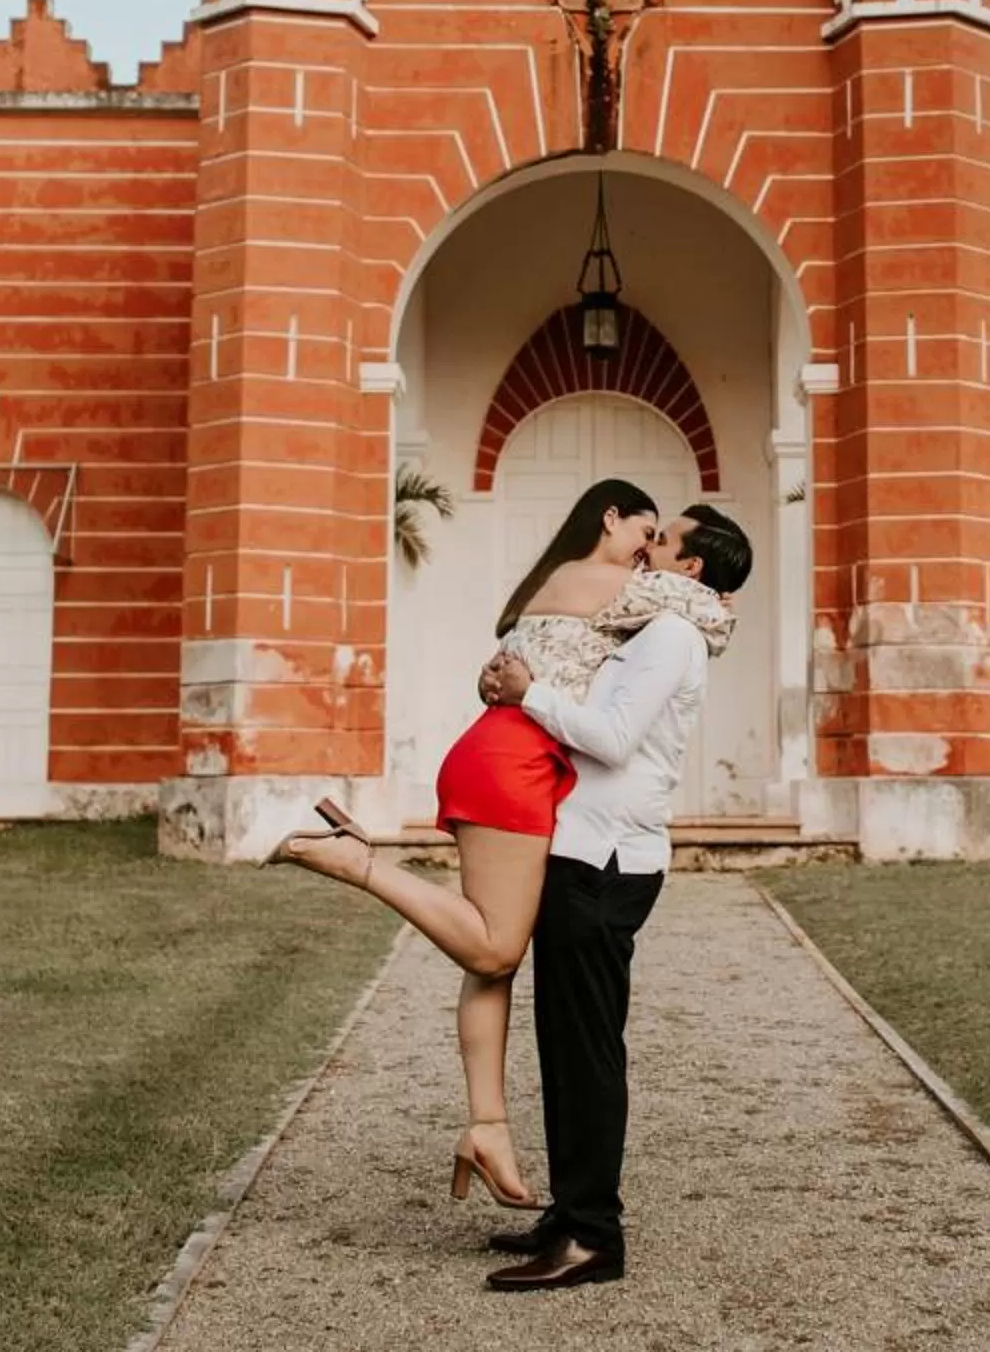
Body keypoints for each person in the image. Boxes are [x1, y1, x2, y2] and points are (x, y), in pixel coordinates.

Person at [269, 479, 735, 1214]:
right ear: (609, 518)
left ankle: (486, 1127)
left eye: (659, 542)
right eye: (644, 532)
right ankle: (357, 860)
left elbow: (522, 665)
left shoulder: (557, 580)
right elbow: (704, 611)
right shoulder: (614, 583)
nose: (647, 551)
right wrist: (717, 603)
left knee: (495, 957)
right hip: (514, 766)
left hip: (504, 757)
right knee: (491, 948)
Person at [480, 502, 754, 1294]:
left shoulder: (670, 634)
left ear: (691, 567)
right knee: (565, 1047)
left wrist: (528, 693)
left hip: (607, 859)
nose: (648, 547)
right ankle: (569, 1216)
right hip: (583, 849)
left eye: (663, 541)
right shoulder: (653, 623)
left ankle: (594, 1235)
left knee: (589, 1052)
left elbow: (610, 735)